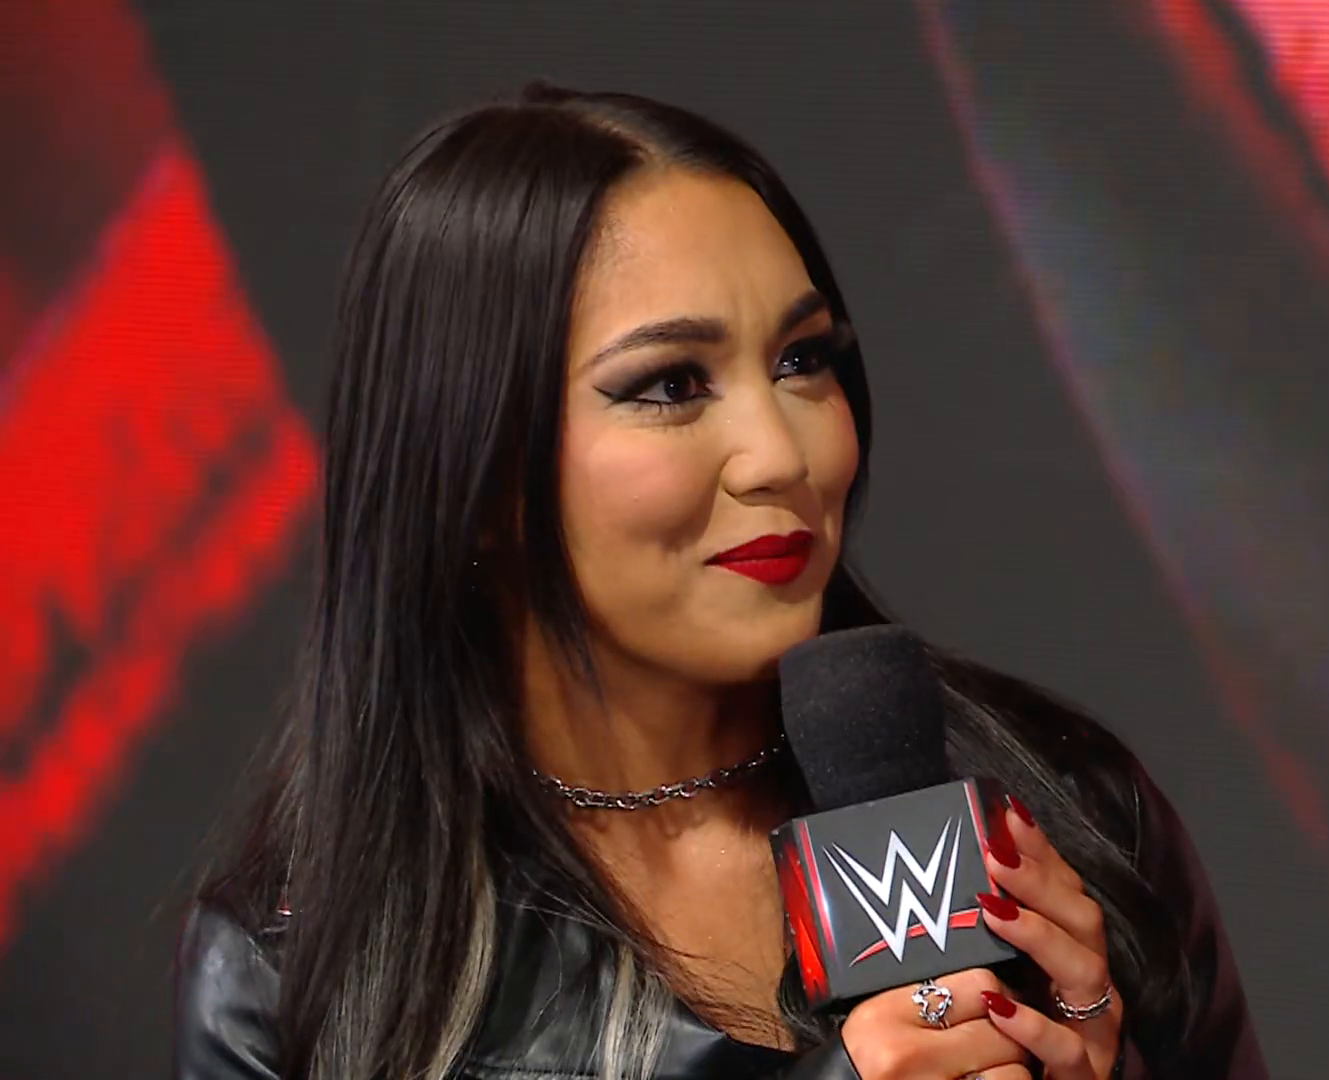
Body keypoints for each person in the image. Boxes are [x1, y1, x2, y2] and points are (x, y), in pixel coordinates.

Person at [175, 83, 1266, 1080]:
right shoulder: (297, 966)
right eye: (669, 386)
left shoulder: (1070, 813)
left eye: (801, 360)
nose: (782, 454)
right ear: (476, 467)